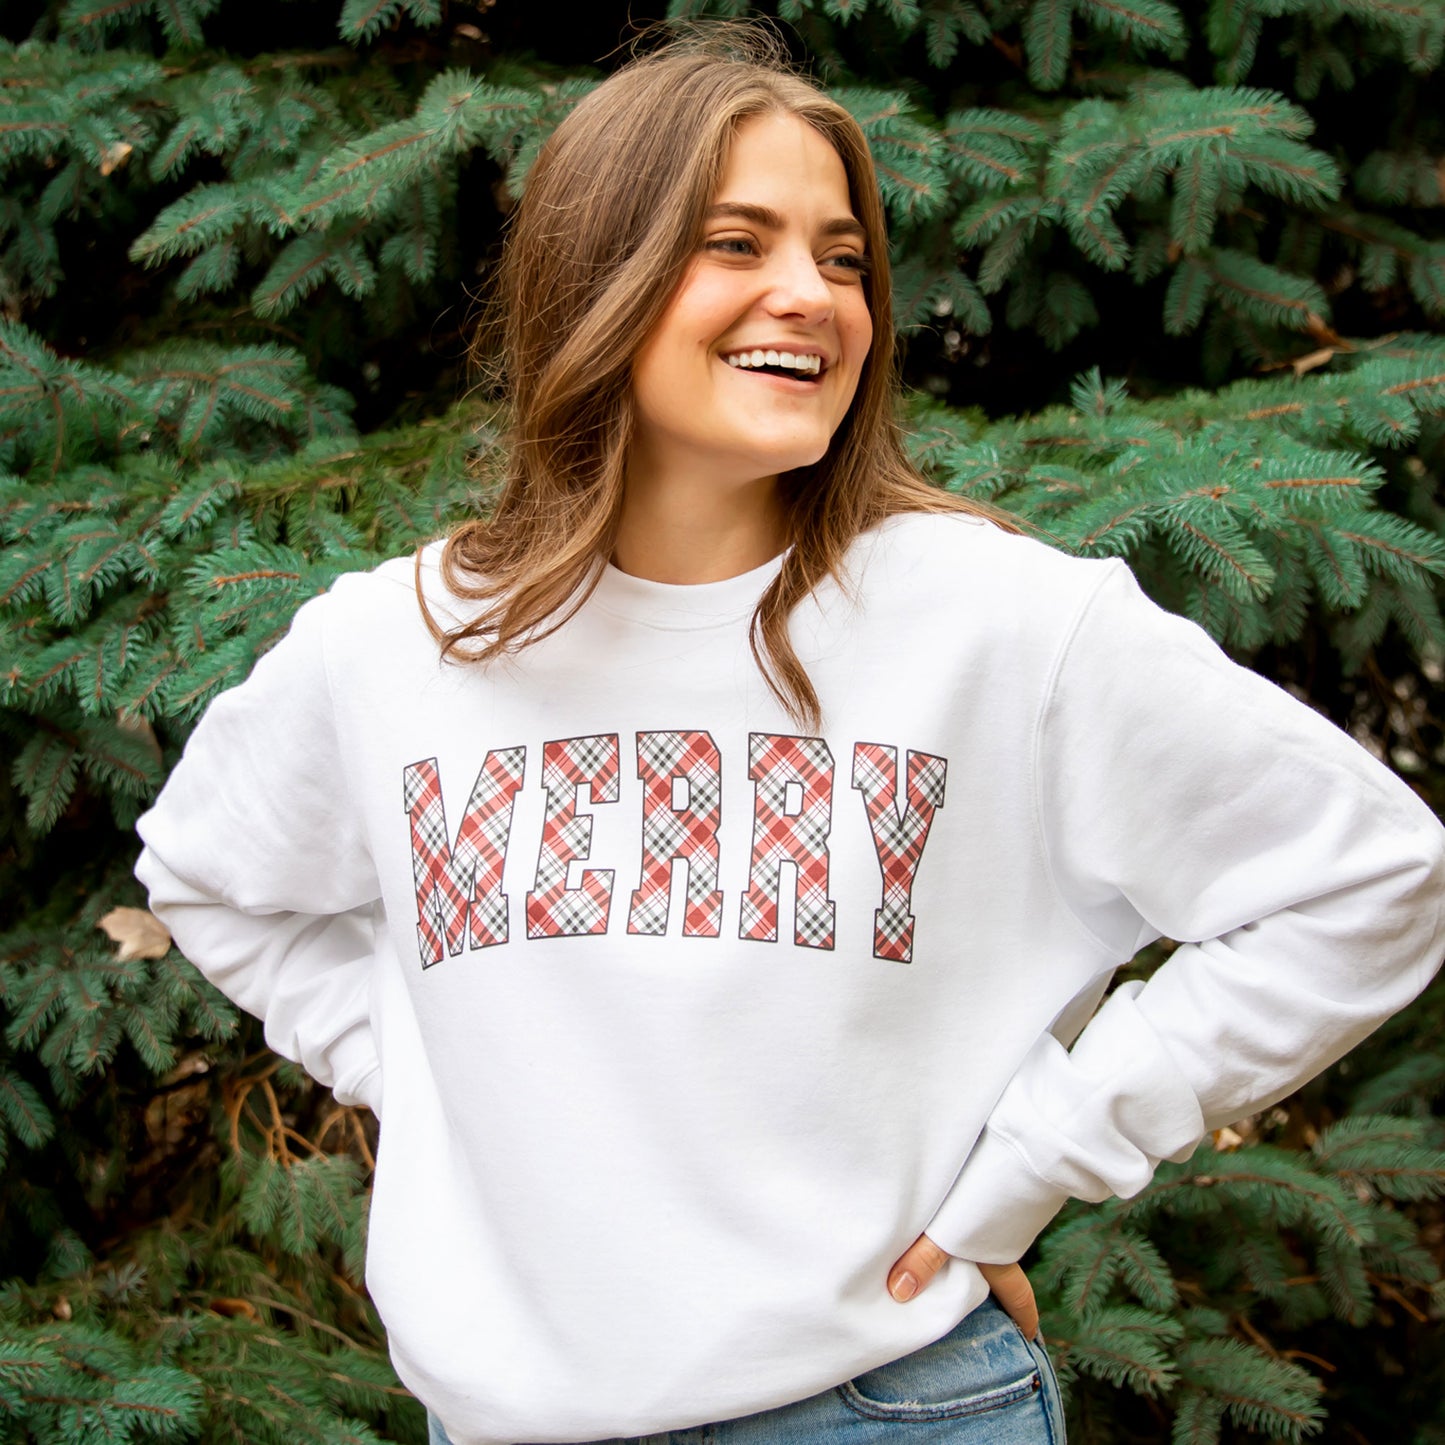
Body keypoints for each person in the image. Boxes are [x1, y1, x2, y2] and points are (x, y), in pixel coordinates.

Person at [134, 26, 1445, 1445]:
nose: (807, 296)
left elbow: (1367, 875)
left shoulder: (996, 622)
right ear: (597, 275)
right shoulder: (395, 644)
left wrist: (1035, 1161)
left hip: (879, 1412)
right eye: (736, 241)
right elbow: (216, 877)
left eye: (840, 258)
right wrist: (446, 1078)